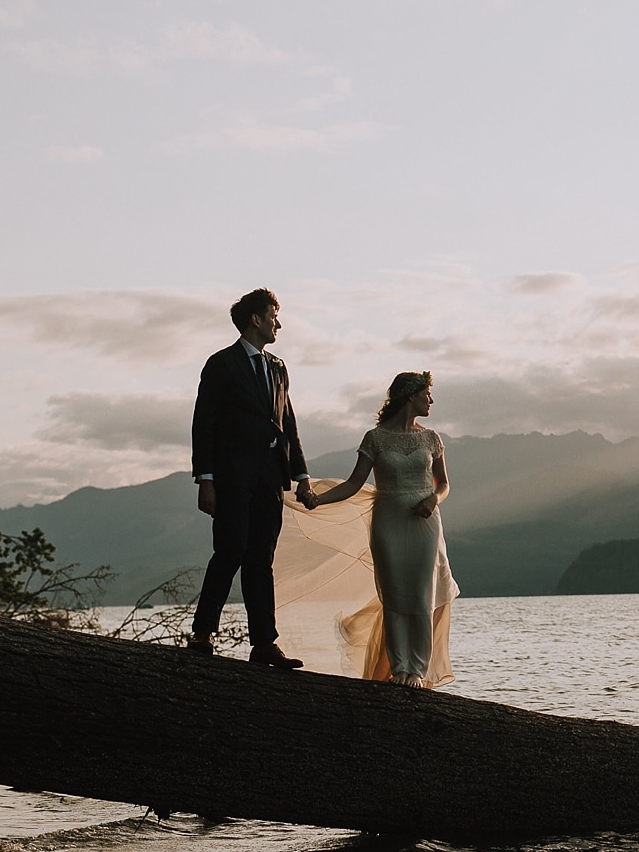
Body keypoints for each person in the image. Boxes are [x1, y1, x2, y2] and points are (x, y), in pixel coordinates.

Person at [299, 369, 458, 687]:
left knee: (421, 595)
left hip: (425, 523)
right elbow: (354, 484)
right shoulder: (375, 438)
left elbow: (444, 485)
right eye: (427, 394)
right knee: (395, 596)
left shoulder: (432, 438)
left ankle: (417, 668)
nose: (431, 400)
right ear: (410, 396)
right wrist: (319, 499)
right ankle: (398, 667)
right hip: (387, 519)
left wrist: (433, 500)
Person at [189, 287, 313, 667]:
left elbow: (287, 423)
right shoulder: (221, 364)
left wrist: (302, 475)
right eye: (274, 315)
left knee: (262, 557)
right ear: (255, 319)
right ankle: (203, 633)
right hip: (231, 478)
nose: (279, 322)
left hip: (270, 480)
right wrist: (206, 480)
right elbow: (203, 424)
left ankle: (263, 644)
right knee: (230, 551)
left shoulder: (278, 367)